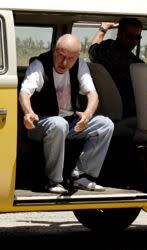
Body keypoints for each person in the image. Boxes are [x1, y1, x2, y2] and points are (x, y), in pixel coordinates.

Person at [19, 34, 114, 193]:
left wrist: (87, 115)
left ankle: (82, 176)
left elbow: (93, 94)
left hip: (69, 122)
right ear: (54, 51)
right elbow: (24, 93)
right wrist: (28, 113)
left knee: (105, 125)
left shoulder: (80, 65)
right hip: (40, 123)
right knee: (58, 123)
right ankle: (53, 181)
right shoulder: (40, 65)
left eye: (70, 58)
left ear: (77, 57)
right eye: (61, 56)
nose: (64, 62)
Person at [89, 17, 145, 117]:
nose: (133, 41)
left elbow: (92, 49)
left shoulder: (104, 48)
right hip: (126, 113)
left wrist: (103, 28)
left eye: (137, 38)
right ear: (119, 33)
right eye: (129, 36)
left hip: (101, 109)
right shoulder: (135, 65)